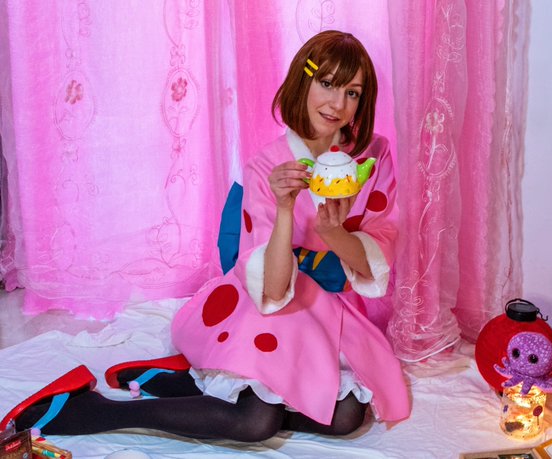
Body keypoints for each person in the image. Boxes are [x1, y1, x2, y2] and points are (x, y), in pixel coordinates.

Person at [1, 30, 410, 442]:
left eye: (352, 93)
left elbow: (375, 258)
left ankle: (191, 382)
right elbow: (270, 289)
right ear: (303, 82)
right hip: (270, 305)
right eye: (327, 84)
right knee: (255, 421)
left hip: (328, 313)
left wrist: (333, 233)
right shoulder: (267, 166)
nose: (338, 104)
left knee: (346, 417)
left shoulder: (373, 158)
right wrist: (285, 209)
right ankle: (95, 410)